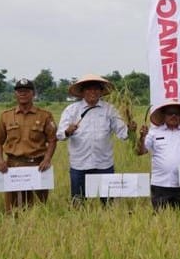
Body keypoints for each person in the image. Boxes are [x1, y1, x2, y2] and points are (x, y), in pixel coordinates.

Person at [57, 74, 133, 205]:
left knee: (109, 203)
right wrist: (68, 131)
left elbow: (123, 134)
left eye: (96, 89)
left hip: (104, 164)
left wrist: (131, 130)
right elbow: (59, 135)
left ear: (101, 91)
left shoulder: (110, 109)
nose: (93, 92)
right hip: (79, 164)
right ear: (82, 92)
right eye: (89, 89)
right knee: (78, 203)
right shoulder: (72, 110)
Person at [0, 78, 57, 211]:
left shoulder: (44, 116)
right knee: (13, 207)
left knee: (39, 207)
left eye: (26, 91)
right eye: (19, 91)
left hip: (38, 166)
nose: (23, 94)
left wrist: (47, 159)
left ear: (33, 94)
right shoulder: (6, 116)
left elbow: (52, 140)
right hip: (13, 166)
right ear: (15, 94)